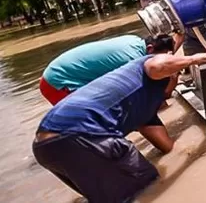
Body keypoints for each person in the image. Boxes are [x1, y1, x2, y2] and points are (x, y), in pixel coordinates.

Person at [33, 52, 206, 203]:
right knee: (145, 184)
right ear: (171, 75)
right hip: (79, 134)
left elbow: (167, 147)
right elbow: (158, 65)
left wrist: (194, 155)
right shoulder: (147, 66)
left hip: (45, 147)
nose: (174, 88)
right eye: (176, 80)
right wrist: (192, 59)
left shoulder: (143, 106)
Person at [39, 33, 184, 153]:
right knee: (89, 127)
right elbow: (140, 106)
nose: (162, 64)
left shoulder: (135, 42)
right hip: (58, 82)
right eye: (162, 59)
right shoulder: (134, 61)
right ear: (150, 49)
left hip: (61, 73)